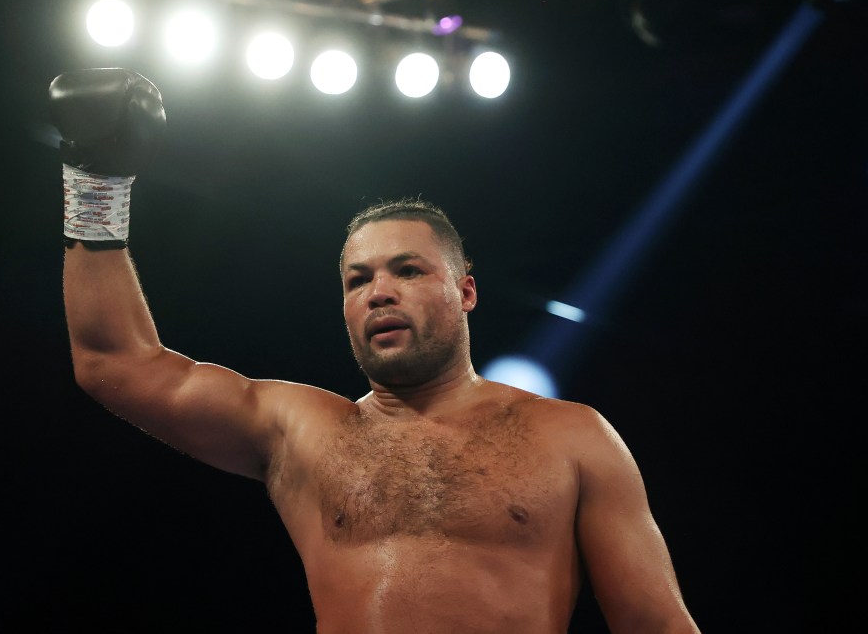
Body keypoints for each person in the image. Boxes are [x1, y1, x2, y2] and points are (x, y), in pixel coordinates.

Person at [54, 68, 701, 634]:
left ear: (466, 290)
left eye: (408, 271)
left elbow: (657, 622)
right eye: (358, 279)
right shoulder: (302, 431)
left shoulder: (573, 438)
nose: (379, 292)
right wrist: (95, 178)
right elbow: (117, 362)